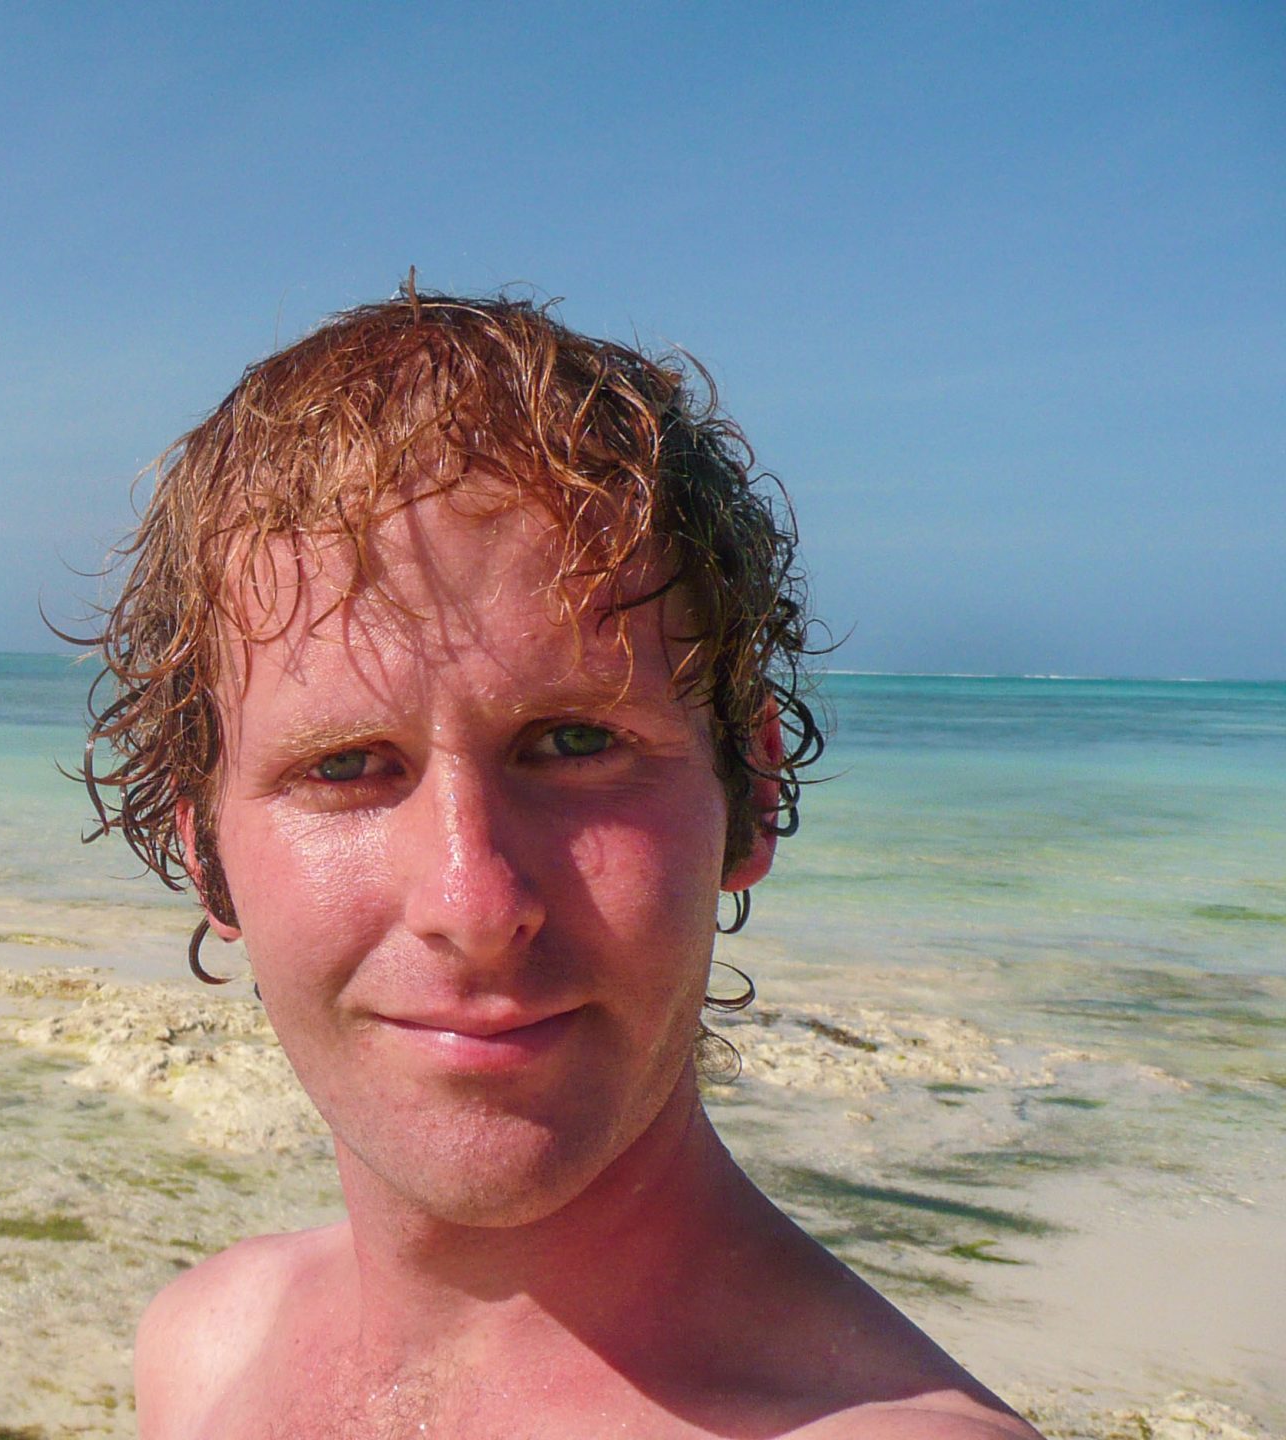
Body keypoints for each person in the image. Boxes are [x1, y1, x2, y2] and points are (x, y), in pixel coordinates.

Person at [79, 289, 1039, 1439]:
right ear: (204, 855)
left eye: (577, 742)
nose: (473, 905)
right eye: (345, 766)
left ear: (751, 793)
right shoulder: (201, 1348)